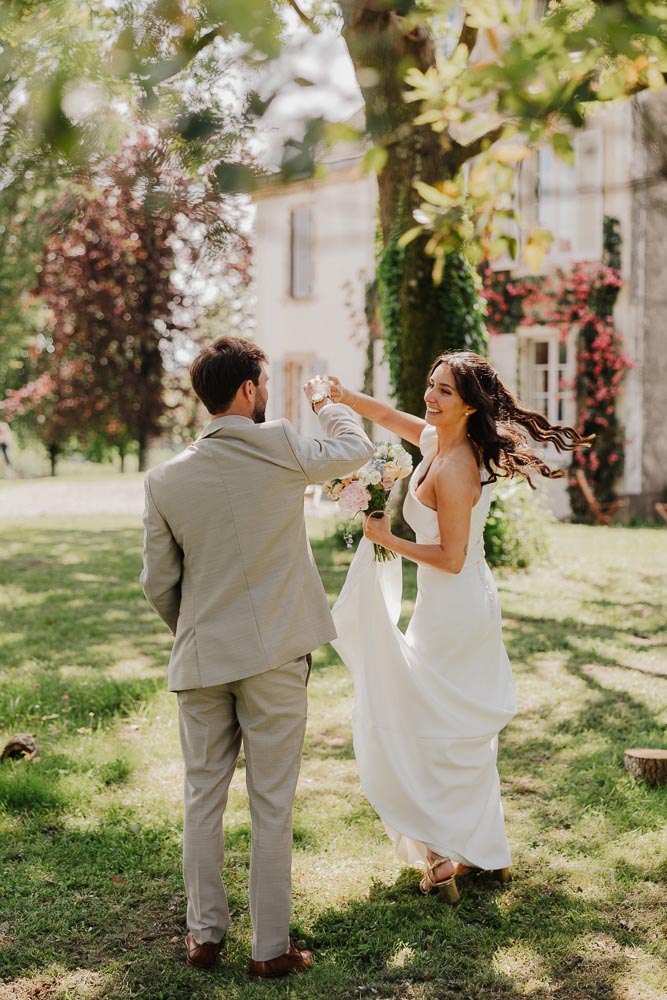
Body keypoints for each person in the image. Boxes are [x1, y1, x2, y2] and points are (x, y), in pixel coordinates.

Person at [140, 338, 373, 975]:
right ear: (248, 390)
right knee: (272, 803)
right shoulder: (282, 445)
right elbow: (358, 451)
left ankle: (204, 936)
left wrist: (191, 630)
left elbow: (158, 584)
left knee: (201, 799)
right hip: (275, 655)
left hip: (201, 659)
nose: (267, 394)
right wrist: (331, 405)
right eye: (263, 383)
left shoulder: (164, 480)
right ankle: (271, 950)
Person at [328, 350, 592, 902]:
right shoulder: (437, 443)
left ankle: (449, 852)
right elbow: (400, 422)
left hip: (457, 607)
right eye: (431, 384)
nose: (431, 396)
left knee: (441, 727)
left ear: (470, 405)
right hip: (450, 604)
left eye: (445, 391)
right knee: (448, 728)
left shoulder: (456, 467)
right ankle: (478, 849)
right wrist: (346, 398)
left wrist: (385, 538)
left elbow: (450, 556)